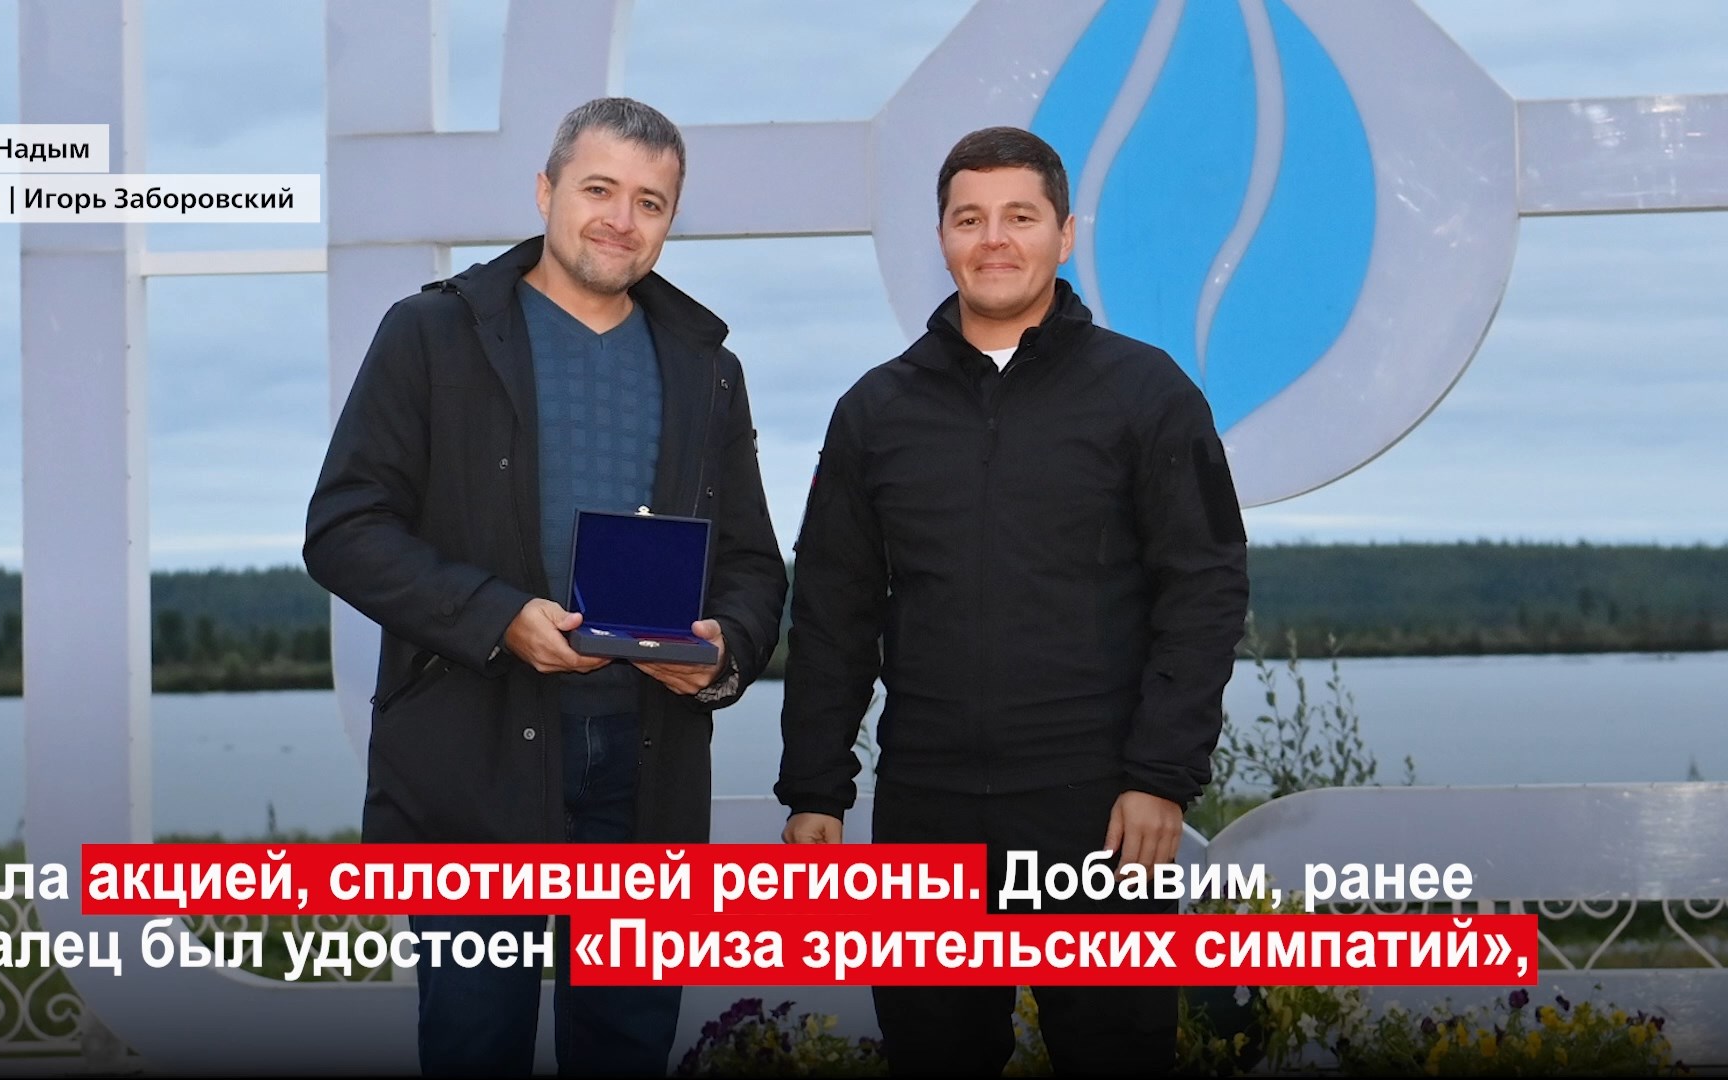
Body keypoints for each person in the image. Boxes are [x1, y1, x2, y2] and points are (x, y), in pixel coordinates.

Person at [304, 97, 788, 1077]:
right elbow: (343, 529)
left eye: (650, 201)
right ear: (545, 191)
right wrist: (499, 619)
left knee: (626, 1052)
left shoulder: (709, 371)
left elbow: (752, 564)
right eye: (599, 189)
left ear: (670, 218)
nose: (621, 219)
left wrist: (726, 652)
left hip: (644, 773)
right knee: (473, 1047)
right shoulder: (432, 335)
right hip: (472, 773)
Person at [775, 126, 1250, 1076]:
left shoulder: (1147, 393)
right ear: (942, 239)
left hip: (1099, 815)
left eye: (1020, 217)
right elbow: (833, 611)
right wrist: (815, 788)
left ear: (1064, 235)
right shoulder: (875, 412)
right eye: (970, 219)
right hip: (926, 814)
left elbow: (1204, 590)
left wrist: (1161, 777)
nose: (994, 239)